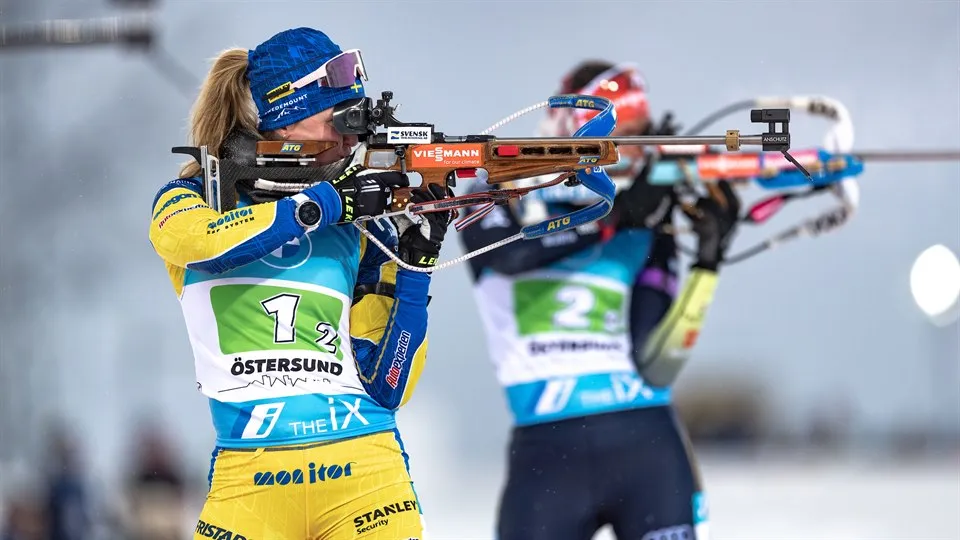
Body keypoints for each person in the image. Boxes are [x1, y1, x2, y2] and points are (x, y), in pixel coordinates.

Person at [148, 27, 451, 540]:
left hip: (366, 476)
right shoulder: (193, 196)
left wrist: (413, 267)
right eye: (339, 118)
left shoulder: (360, 223)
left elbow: (389, 384)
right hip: (249, 482)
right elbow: (203, 245)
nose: (352, 136)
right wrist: (322, 206)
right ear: (288, 113)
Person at [458, 60, 741, 540]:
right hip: (547, 455)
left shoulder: (646, 218)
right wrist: (611, 216)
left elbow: (657, 363)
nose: (627, 152)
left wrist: (708, 259)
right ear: (572, 128)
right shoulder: (498, 186)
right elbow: (509, 254)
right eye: (616, 134)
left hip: (647, 443)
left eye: (639, 135)